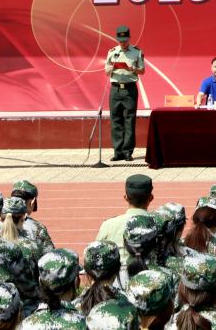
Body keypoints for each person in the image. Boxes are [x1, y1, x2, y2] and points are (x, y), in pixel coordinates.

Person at [104, 25, 144, 161]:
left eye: (125, 40)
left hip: (129, 89)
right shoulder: (112, 52)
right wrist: (112, 67)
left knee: (129, 120)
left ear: (129, 38)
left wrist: (133, 69)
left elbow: (142, 70)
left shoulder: (137, 52)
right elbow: (106, 71)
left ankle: (127, 152)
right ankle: (118, 151)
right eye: (120, 41)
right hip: (115, 89)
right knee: (115, 120)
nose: (123, 43)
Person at [95, 174, 153, 262]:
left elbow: (96, 254)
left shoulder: (109, 225)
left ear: (126, 197)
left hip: (117, 270)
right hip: (150, 270)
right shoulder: (160, 224)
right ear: (151, 198)